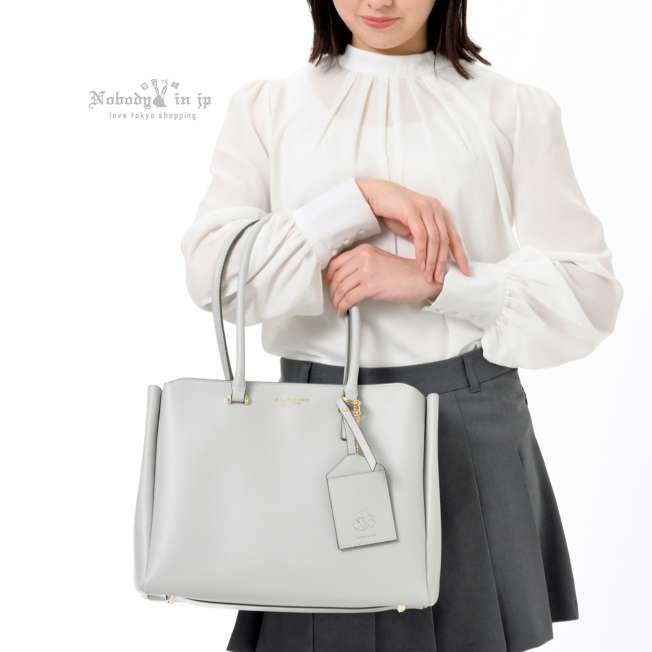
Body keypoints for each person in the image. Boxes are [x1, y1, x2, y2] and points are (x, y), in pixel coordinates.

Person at [180, 1, 624, 650]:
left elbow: (591, 293)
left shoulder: (513, 110)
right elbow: (216, 279)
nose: (379, 1)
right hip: (309, 426)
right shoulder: (268, 109)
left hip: (466, 427)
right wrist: (357, 202)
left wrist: (438, 285)